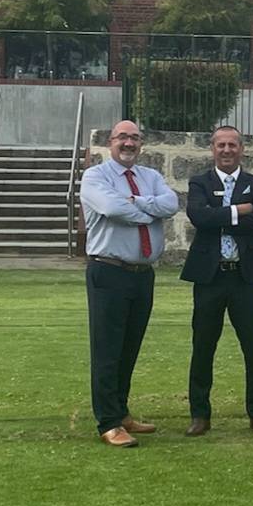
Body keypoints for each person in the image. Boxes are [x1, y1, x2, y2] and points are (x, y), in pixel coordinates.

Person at [80, 119, 179, 448]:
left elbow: (171, 204)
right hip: (109, 271)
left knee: (129, 348)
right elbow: (111, 207)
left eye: (135, 138)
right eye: (123, 137)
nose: (129, 143)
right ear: (111, 142)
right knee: (107, 349)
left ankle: (121, 412)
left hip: (142, 274)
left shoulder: (150, 177)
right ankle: (108, 422)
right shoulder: (95, 176)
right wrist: (149, 210)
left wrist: (136, 203)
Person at [180, 125, 253, 437]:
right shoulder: (199, 182)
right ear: (212, 149)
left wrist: (220, 214)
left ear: (241, 149)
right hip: (210, 277)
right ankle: (200, 414)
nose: (227, 150)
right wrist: (237, 211)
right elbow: (199, 217)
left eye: (233, 145)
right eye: (221, 145)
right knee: (203, 345)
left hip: (245, 278)